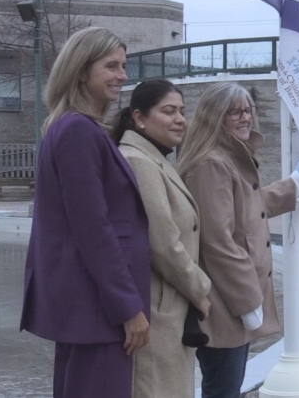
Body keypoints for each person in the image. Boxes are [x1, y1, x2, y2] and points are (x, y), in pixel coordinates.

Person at [19, 27, 150, 398]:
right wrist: (128, 308)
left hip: (86, 307)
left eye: (123, 65)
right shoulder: (78, 131)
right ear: (80, 71)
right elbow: (93, 229)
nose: (122, 75)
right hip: (98, 310)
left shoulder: (72, 128)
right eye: (111, 66)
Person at [177, 82, 299, 398]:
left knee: (226, 386)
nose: (245, 118)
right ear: (216, 117)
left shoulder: (227, 157)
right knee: (223, 389)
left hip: (228, 300)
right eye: (234, 112)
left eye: (247, 110)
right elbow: (218, 242)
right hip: (224, 303)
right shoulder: (213, 163)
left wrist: (294, 183)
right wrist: (249, 301)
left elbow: (249, 206)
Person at [111, 79, 212, 397]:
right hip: (157, 309)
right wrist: (200, 289)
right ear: (140, 118)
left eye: (182, 111)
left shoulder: (156, 160)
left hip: (169, 309)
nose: (180, 119)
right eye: (169, 111)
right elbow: (163, 242)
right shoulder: (139, 162)